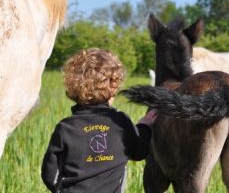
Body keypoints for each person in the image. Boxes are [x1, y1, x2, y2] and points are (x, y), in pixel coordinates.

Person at [41, 48, 157, 193]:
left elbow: (50, 174)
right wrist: (144, 125)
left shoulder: (65, 128)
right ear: (113, 88)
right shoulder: (120, 122)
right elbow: (139, 152)